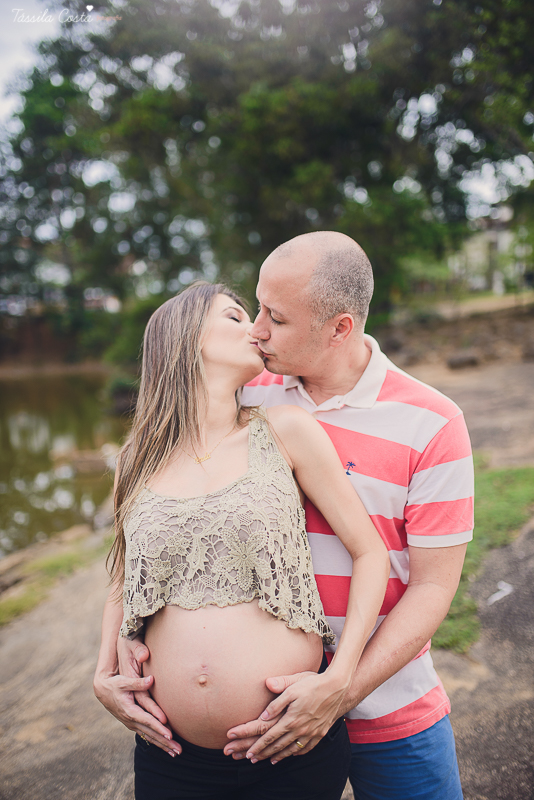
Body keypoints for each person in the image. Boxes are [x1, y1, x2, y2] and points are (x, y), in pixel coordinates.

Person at [99, 231, 474, 799]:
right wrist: (117, 648)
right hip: (250, 729)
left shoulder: (432, 423)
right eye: (252, 310)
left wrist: (338, 687)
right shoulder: (248, 395)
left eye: (274, 317)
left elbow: (431, 589)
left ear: (339, 328)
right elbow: (150, 538)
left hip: (386, 702)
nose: (257, 330)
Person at [93, 280, 390, 800]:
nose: (256, 329)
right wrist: (102, 673)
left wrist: (340, 676)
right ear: (184, 340)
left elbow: (370, 552)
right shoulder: (134, 459)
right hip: (172, 755)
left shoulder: (285, 432)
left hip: (289, 746)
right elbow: (124, 575)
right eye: (235, 317)